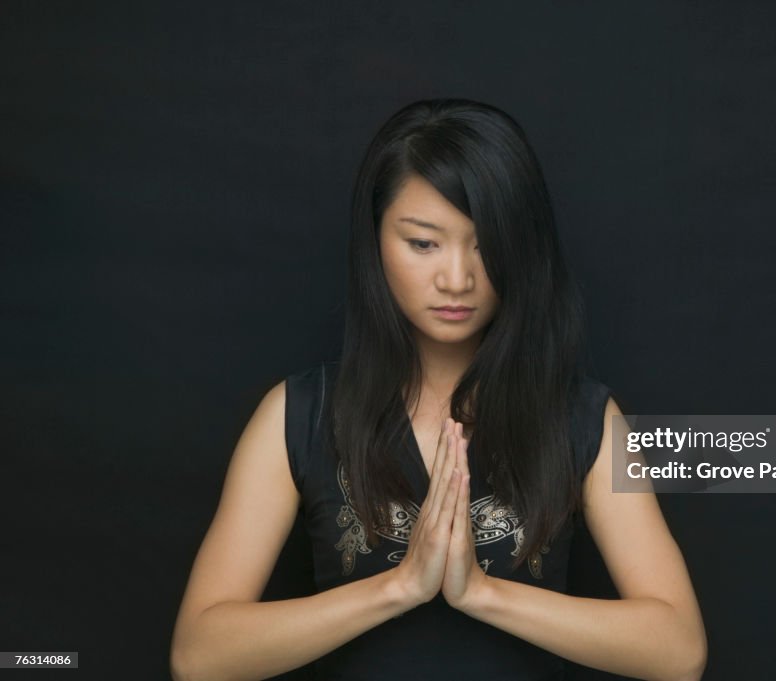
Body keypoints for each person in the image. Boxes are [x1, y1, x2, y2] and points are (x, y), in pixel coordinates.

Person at [170, 98, 706, 681]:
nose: (457, 279)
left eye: (486, 245)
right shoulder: (298, 413)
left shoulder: (584, 418)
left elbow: (678, 650)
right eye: (424, 244)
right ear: (375, 240)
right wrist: (399, 587)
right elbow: (200, 655)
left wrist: (480, 594)